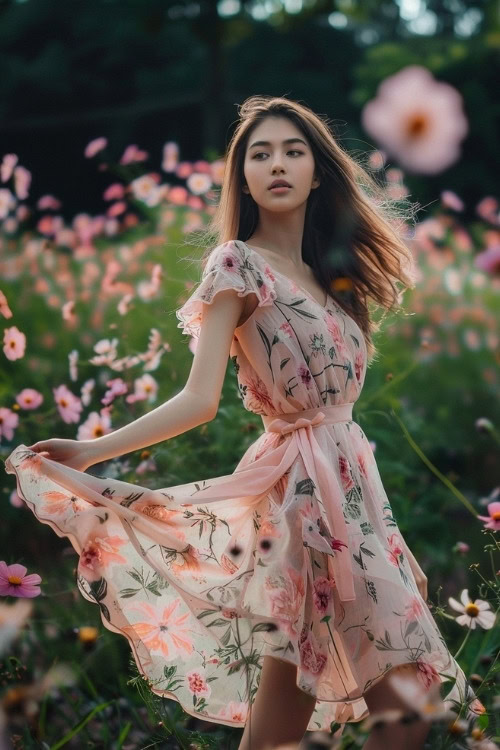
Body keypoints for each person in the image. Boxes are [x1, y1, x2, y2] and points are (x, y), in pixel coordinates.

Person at [4, 95, 482, 750]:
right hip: (300, 503)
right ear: (243, 176)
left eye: (293, 151)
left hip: (350, 496)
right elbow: (199, 399)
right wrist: (91, 449)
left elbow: (342, 427)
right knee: (408, 698)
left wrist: (386, 531)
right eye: (260, 154)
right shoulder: (236, 263)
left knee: (291, 705)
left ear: (319, 171)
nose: (277, 164)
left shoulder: (328, 275)